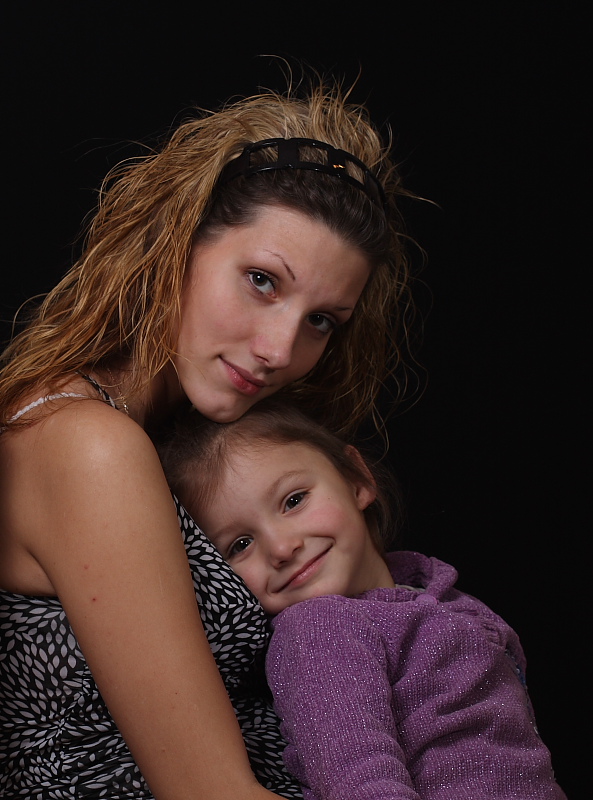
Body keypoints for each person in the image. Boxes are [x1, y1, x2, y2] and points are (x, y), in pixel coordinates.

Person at [0, 80, 416, 799]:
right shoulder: (87, 445)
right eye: (262, 281)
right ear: (176, 245)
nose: (280, 349)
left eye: (321, 320)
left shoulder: (172, 437)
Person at [158, 399, 568, 800]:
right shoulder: (317, 631)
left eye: (294, 500)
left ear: (357, 479)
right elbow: (357, 781)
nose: (282, 548)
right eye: (240, 544)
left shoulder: (437, 595)